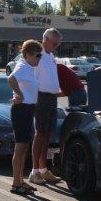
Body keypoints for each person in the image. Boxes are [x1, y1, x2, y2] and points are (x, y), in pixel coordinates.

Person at [7, 39, 42, 195]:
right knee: (20, 147)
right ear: (27, 55)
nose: (39, 58)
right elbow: (11, 78)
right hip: (21, 110)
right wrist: (19, 94)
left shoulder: (29, 67)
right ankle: (16, 184)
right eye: (37, 55)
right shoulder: (22, 66)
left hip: (28, 109)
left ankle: (21, 181)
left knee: (25, 146)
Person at [30, 28, 63, 185]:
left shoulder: (51, 56)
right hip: (41, 98)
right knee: (40, 133)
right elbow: (32, 79)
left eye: (57, 44)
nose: (56, 46)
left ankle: (43, 170)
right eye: (54, 43)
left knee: (48, 133)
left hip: (51, 98)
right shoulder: (38, 54)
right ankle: (34, 171)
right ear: (46, 40)